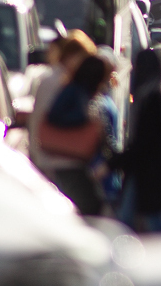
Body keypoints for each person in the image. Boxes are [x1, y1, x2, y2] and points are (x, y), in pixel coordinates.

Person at [115, 49, 161, 230]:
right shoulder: (160, 93)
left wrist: (114, 162)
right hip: (146, 169)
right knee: (132, 217)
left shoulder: (152, 98)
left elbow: (144, 141)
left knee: (152, 220)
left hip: (150, 170)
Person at [47, 54, 115, 216]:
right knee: (89, 204)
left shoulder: (83, 92)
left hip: (79, 160)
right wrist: (84, 119)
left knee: (90, 204)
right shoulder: (74, 91)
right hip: (68, 160)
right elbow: (54, 117)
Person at [29, 31, 97, 178]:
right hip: (55, 163)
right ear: (73, 56)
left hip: (51, 160)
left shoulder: (60, 80)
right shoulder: (57, 82)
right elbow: (42, 120)